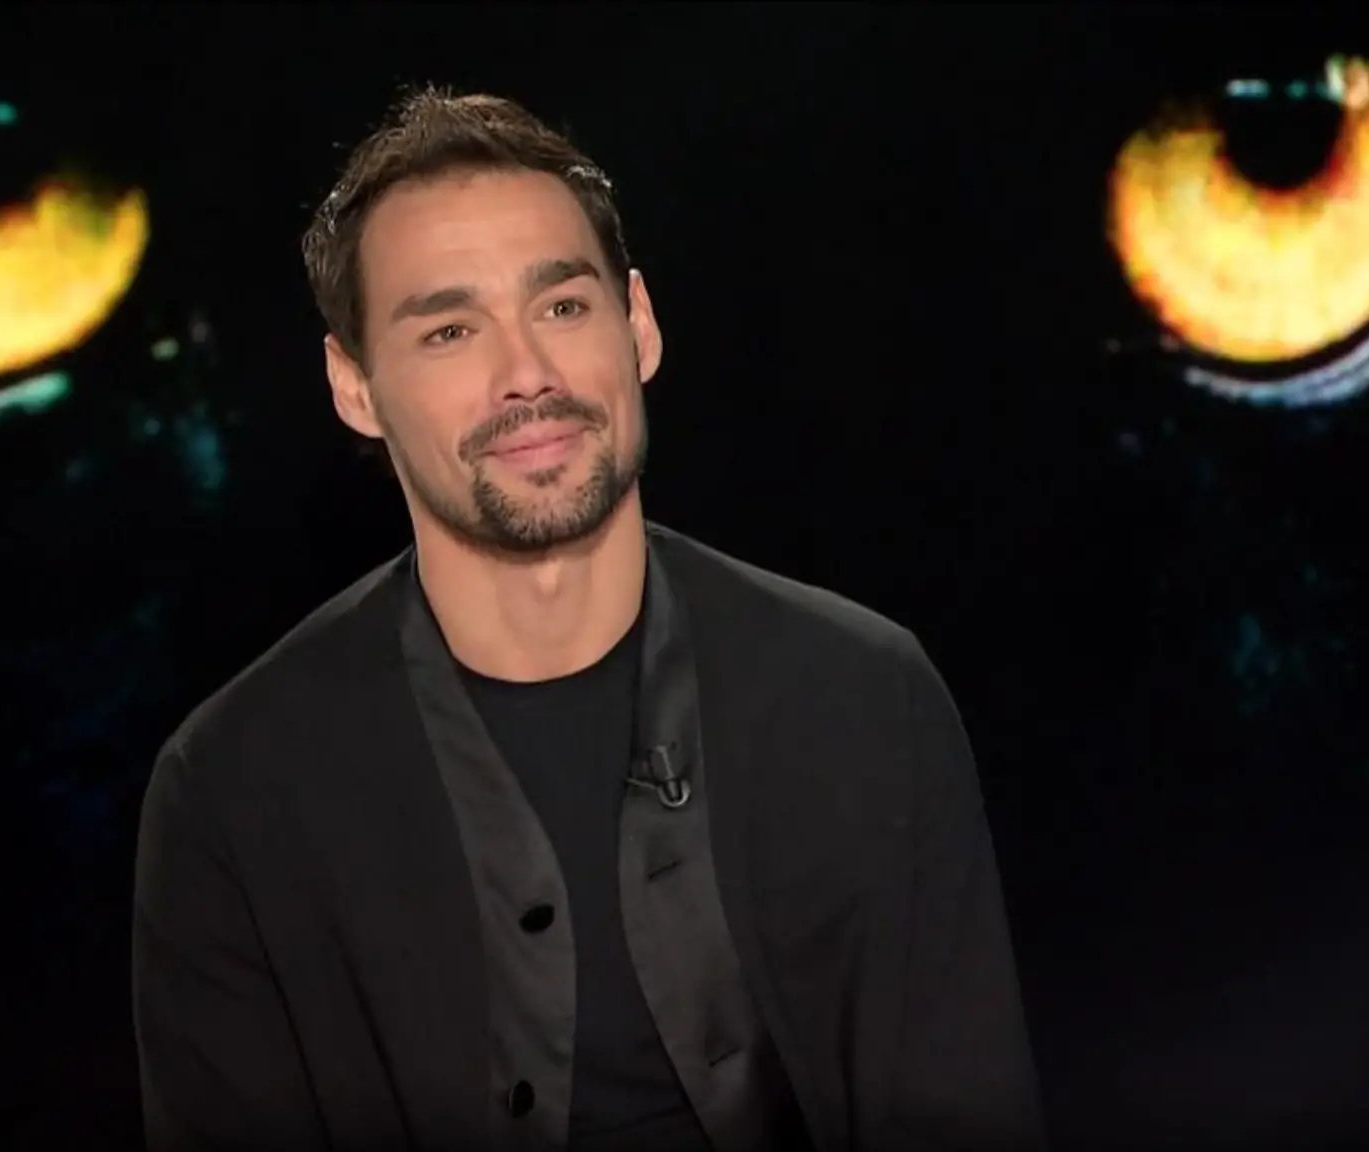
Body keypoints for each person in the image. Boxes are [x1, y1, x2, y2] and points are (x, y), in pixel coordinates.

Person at [132, 86, 1045, 1152]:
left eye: (562, 308)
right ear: (354, 387)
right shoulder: (236, 791)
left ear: (638, 325)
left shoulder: (864, 700)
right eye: (448, 331)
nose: (525, 375)